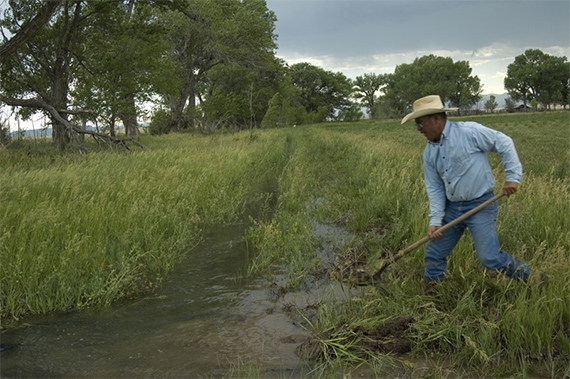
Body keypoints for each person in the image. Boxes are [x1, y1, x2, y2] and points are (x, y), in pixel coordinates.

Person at [401, 95, 542, 288]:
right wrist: (435, 221)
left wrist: (512, 177)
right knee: (434, 253)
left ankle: (533, 278)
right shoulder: (429, 153)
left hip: (480, 205)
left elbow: (504, 142)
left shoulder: (470, 132)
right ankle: (433, 295)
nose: (418, 129)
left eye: (420, 123)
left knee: (489, 258)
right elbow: (434, 188)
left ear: (436, 119)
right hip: (452, 209)